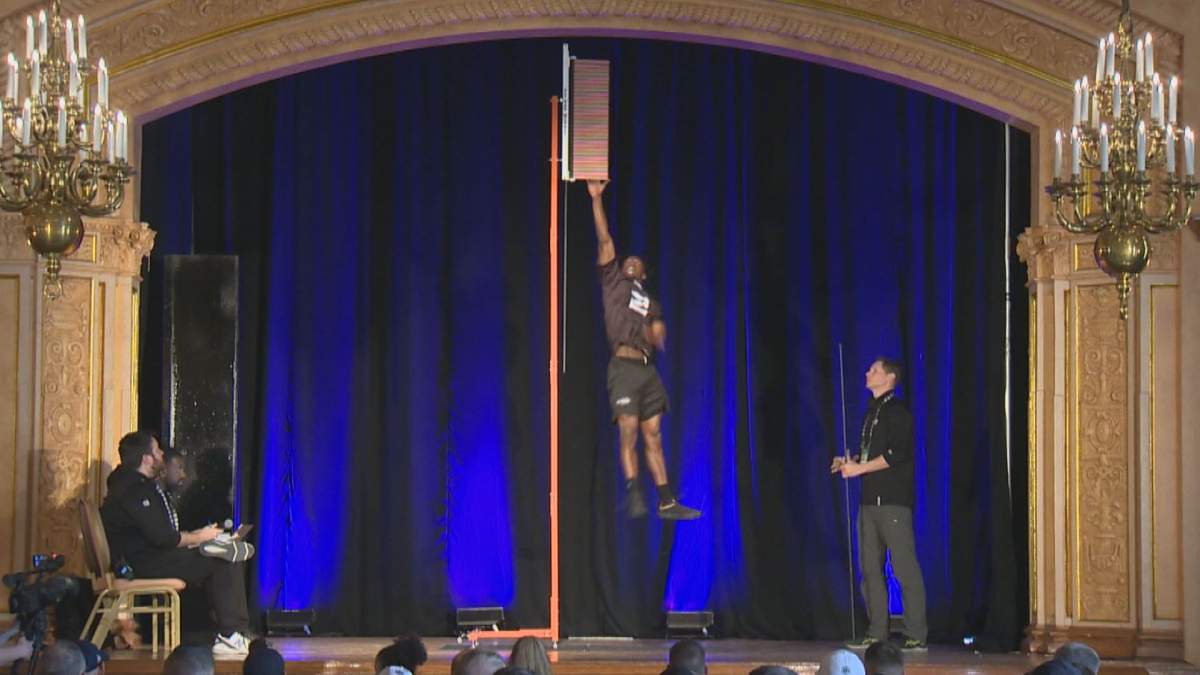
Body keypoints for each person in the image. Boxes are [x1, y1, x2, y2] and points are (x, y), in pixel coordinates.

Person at [587, 179, 700, 520]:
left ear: (645, 272)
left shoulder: (649, 300)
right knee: (629, 429)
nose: (632, 263)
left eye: (638, 262)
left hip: (647, 369)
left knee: (654, 433)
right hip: (622, 367)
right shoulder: (613, 281)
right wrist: (596, 200)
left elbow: (658, 326)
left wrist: (658, 333)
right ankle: (633, 491)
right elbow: (604, 237)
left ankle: (666, 501)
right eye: (628, 261)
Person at [100, 431, 253, 656]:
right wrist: (199, 538)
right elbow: (164, 538)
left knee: (220, 553)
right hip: (141, 564)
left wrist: (196, 536)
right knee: (222, 559)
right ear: (147, 458)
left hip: (146, 557)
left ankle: (229, 632)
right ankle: (230, 635)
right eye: (157, 450)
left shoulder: (134, 486)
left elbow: (160, 534)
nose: (162, 453)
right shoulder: (133, 490)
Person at [831, 358, 927, 651]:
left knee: (904, 568)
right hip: (868, 502)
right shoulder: (871, 412)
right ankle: (877, 632)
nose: (867, 373)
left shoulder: (898, 412)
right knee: (870, 569)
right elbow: (872, 456)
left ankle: (915, 634)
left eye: (873, 370)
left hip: (893, 503)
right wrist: (852, 462)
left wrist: (859, 469)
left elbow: (896, 454)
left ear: (889, 377)